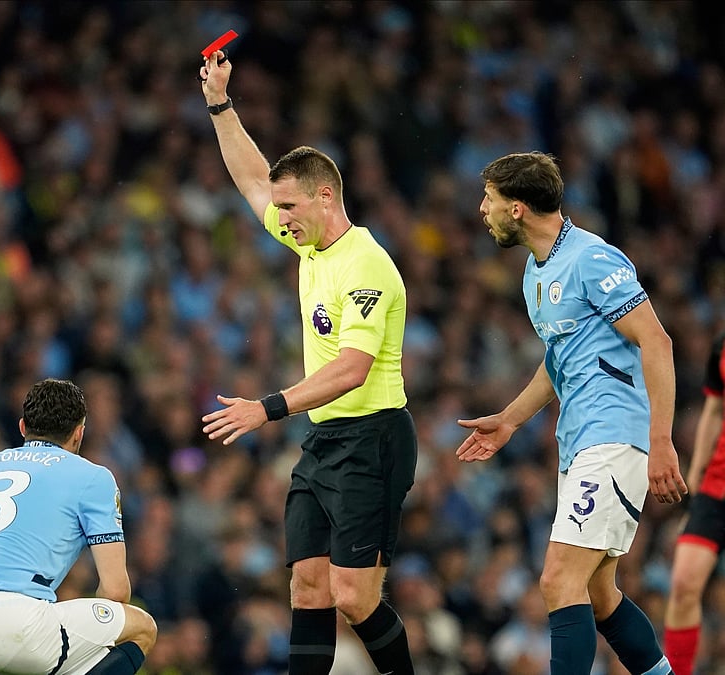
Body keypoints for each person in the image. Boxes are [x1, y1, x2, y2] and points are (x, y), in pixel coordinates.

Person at [197, 52, 418, 674]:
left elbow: (352, 368)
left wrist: (265, 409)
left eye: (289, 207)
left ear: (326, 198)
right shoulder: (310, 244)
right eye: (280, 209)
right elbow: (249, 180)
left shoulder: (365, 263)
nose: (280, 218)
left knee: (354, 597)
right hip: (325, 438)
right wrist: (220, 104)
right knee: (307, 590)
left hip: (374, 438)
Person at [455, 152, 686, 675]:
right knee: (599, 593)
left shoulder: (592, 259)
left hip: (614, 435)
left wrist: (662, 440)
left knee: (558, 579)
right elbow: (560, 360)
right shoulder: (536, 274)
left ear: (516, 209)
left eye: (488, 199)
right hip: (579, 439)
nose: (481, 210)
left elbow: (657, 341)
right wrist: (511, 419)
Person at [0, 378, 157, 675]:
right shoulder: (93, 477)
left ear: (22, 428)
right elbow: (116, 591)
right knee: (141, 628)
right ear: (79, 434)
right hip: (12, 626)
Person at [663, 332, 725, 675]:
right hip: (716, 487)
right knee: (684, 584)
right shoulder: (721, 345)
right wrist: (698, 473)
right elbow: (714, 409)